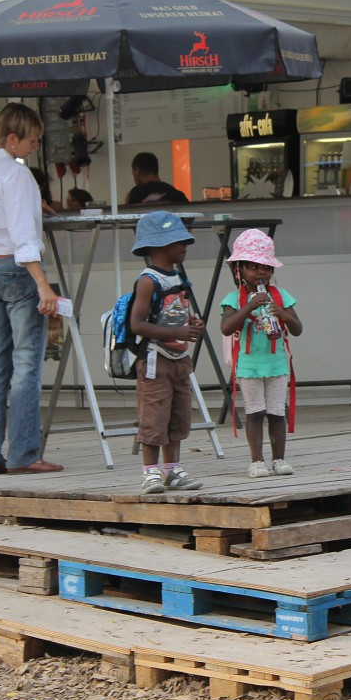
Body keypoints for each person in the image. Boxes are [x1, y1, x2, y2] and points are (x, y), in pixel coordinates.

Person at [0, 103, 62, 476]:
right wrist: (43, 283)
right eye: (33, 140)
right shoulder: (17, 176)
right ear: (13, 138)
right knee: (26, 365)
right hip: (17, 270)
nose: (36, 147)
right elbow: (23, 237)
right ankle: (24, 453)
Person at [129, 211, 205, 494]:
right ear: (160, 245)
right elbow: (137, 324)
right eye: (179, 242)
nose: (185, 247)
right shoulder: (149, 280)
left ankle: (172, 469)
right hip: (154, 360)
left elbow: (174, 312)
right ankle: (150, 473)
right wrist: (177, 333)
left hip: (178, 359)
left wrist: (192, 322)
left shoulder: (178, 277)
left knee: (178, 414)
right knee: (153, 415)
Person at [220, 229, 302, 478]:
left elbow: (297, 329)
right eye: (253, 267)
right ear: (239, 269)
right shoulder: (233, 299)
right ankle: (256, 461)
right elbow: (226, 328)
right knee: (254, 412)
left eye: (266, 267)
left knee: (277, 412)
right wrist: (248, 307)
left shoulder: (281, 296)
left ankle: (279, 459)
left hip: (276, 364)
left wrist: (282, 313)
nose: (260, 273)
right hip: (249, 366)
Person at [124, 152, 188, 205]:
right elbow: (189, 216)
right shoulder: (175, 193)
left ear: (138, 171)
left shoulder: (135, 194)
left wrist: (127, 203)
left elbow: (128, 217)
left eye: (133, 173)